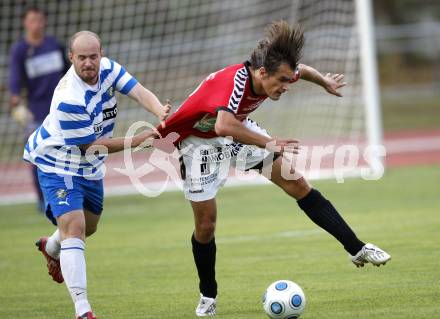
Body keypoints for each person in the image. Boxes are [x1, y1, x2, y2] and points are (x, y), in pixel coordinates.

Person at [156, 21, 391, 316]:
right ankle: (208, 295)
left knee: (298, 184)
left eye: (287, 80)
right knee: (206, 226)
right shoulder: (236, 82)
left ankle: (357, 248)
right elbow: (222, 124)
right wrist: (269, 143)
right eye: (281, 81)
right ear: (262, 73)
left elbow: (300, 71)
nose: (285, 86)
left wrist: (325, 83)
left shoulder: (274, 73)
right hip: (197, 142)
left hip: (235, 132)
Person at [23, 30, 170, 319]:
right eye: (82, 58)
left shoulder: (109, 69)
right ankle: (83, 310)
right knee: (75, 227)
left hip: (88, 166)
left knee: (89, 227)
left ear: (100, 53)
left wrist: (160, 113)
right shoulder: (68, 97)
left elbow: (138, 91)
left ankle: (51, 247)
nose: (88, 63)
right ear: (71, 58)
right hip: (58, 162)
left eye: (93, 56)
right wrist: (138, 142)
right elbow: (92, 146)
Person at [9, 6, 69, 212]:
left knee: (66, 152)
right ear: (26, 23)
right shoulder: (20, 51)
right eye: (32, 20)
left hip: (61, 110)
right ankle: (42, 199)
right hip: (36, 112)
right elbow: (15, 79)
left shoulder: (54, 45)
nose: (37, 24)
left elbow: (69, 73)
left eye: (40, 20)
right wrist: (15, 99)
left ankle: (68, 193)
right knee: (38, 156)